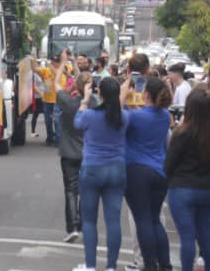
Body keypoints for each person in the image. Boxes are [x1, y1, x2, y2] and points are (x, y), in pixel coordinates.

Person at [74, 74, 130, 271]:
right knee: (113, 220)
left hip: (92, 168)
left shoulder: (89, 115)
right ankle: (111, 266)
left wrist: (84, 100)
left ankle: (90, 266)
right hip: (116, 168)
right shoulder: (124, 116)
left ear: (99, 92)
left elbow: (77, 124)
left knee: (89, 220)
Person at [166, 89, 210, 271]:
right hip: (207, 189)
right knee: (206, 236)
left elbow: (169, 164)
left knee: (187, 237)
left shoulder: (182, 133)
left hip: (182, 187)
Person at [124, 74, 173, 271]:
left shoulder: (135, 116)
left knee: (142, 220)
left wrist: (123, 95)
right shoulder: (165, 116)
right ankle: (165, 264)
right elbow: (143, 116)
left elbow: (119, 117)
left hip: (137, 170)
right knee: (154, 220)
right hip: (160, 171)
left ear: (146, 94)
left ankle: (150, 264)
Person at [59, 70, 89, 244]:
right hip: (88, 153)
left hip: (69, 152)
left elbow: (57, 87)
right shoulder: (95, 103)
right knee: (85, 191)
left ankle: (72, 227)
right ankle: (84, 226)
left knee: (71, 190)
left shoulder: (68, 103)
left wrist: (64, 63)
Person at [39, 52, 63, 145]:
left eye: (57, 61)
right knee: (48, 121)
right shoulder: (46, 70)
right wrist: (32, 58)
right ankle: (50, 137)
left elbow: (57, 74)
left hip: (59, 100)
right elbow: (35, 69)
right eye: (53, 61)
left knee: (57, 121)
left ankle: (58, 139)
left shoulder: (64, 69)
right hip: (47, 100)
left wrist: (49, 64)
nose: (55, 63)